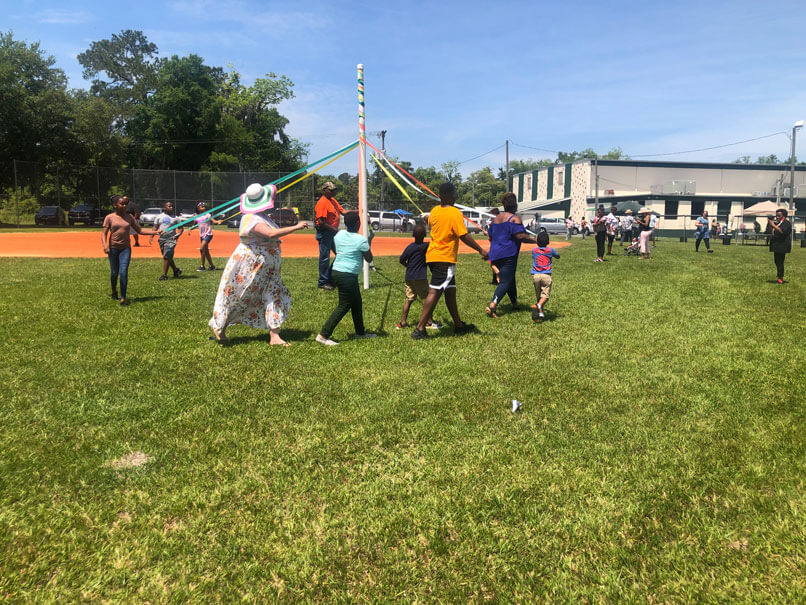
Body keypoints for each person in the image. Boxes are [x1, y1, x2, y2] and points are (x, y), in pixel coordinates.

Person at [209, 183, 310, 346]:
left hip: (268, 267)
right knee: (239, 295)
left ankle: (274, 336)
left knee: (274, 294)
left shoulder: (263, 216)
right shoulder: (250, 218)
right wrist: (296, 227)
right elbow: (270, 234)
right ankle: (220, 327)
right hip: (251, 266)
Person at [411, 182, 489, 340]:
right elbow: (463, 235)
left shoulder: (434, 211)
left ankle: (458, 325)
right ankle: (420, 329)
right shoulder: (454, 213)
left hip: (433, 256)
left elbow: (431, 222)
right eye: (453, 193)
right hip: (444, 258)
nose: (455, 197)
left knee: (450, 291)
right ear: (446, 194)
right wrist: (480, 249)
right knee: (435, 291)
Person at [315, 211, 376, 345]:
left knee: (356, 303)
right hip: (347, 275)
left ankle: (360, 332)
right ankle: (323, 335)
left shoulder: (340, 234)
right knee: (344, 305)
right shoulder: (361, 240)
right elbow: (369, 258)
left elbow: (338, 249)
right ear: (358, 224)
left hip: (337, 271)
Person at [101, 195, 159, 306]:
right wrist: (105, 246)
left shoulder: (129, 217)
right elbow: (104, 234)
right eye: (121, 204)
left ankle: (123, 298)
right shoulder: (109, 217)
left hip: (125, 249)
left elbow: (140, 230)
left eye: (125, 204)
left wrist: (155, 232)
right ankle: (114, 291)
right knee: (114, 273)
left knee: (123, 272)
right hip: (113, 249)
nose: (124, 206)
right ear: (115, 205)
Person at [485, 192, 536, 318]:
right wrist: (536, 240)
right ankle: (493, 305)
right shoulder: (514, 218)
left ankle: (514, 304)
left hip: (495, 253)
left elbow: (490, 236)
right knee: (505, 281)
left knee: (510, 279)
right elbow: (520, 236)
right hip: (508, 253)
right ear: (515, 205)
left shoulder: (496, 219)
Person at [397, 223, 441, 330]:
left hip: (409, 277)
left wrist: (409, 267)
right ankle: (429, 322)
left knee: (409, 299)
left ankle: (402, 322)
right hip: (420, 278)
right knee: (428, 299)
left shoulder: (409, 247)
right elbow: (435, 242)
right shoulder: (425, 246)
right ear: (424, 235)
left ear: (413, 235)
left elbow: (401, 260)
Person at [314, 181, 346, 290]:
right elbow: (321, 222)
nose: (333, 192)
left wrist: (358, 212)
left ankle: (330, 277)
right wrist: (335, 230)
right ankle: (323, 282)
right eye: (331, 190)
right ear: (324, 190)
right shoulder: (322, 203)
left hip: (332, 233)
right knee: (324, 258)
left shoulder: (332, 200)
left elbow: (343, 212)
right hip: (325, 233)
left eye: (334, 190)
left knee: (340, 254)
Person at [530, 231, 560, 322]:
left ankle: (540, 314)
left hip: (536, 276)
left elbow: (533, 257)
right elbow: (557, 256)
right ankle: (538, 306)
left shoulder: (534, 250)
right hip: (546, 275)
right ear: (548, 241)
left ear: (537, 242)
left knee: (539, 296)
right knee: (545, 296)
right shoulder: (550, 250)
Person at [154, 201, 184, 280]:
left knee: (167, 256)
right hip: (161, 239)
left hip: (171, 239)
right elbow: (155, 227)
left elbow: (181, 228)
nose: (171, 207)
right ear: (165, 207)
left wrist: (178, 235)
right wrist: (151, 235)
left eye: (171, 206)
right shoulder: (159, 217)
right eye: (169, 206)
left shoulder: (176, 218)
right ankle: (176, 270)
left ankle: (164, 275)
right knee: (167, 257)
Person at [190, 200, 222, 271]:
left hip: (208, 234)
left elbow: (214, 221)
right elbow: (194, 225)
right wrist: (190, 229)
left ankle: (202, 266)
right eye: (202, 206)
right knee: (206, 251)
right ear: (198, 208)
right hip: (202, 235)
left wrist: (218, 221)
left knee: (202, 249)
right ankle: (212, 266)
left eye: (204, 206)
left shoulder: (208, 215)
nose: (204, 207)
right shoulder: (196, 216)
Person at [768, 208, 792, 284]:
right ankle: (779, 275)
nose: (777, 217)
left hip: (782, 245)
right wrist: (772, 227)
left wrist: (773, 226)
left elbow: (782, 231)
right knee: (777, 261)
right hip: (777, 245)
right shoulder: (778, 223)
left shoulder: (786, 223)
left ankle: (780, 277)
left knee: (780, 261)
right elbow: (773, 233)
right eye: (776, 215)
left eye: (779, 216)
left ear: (783, 216)